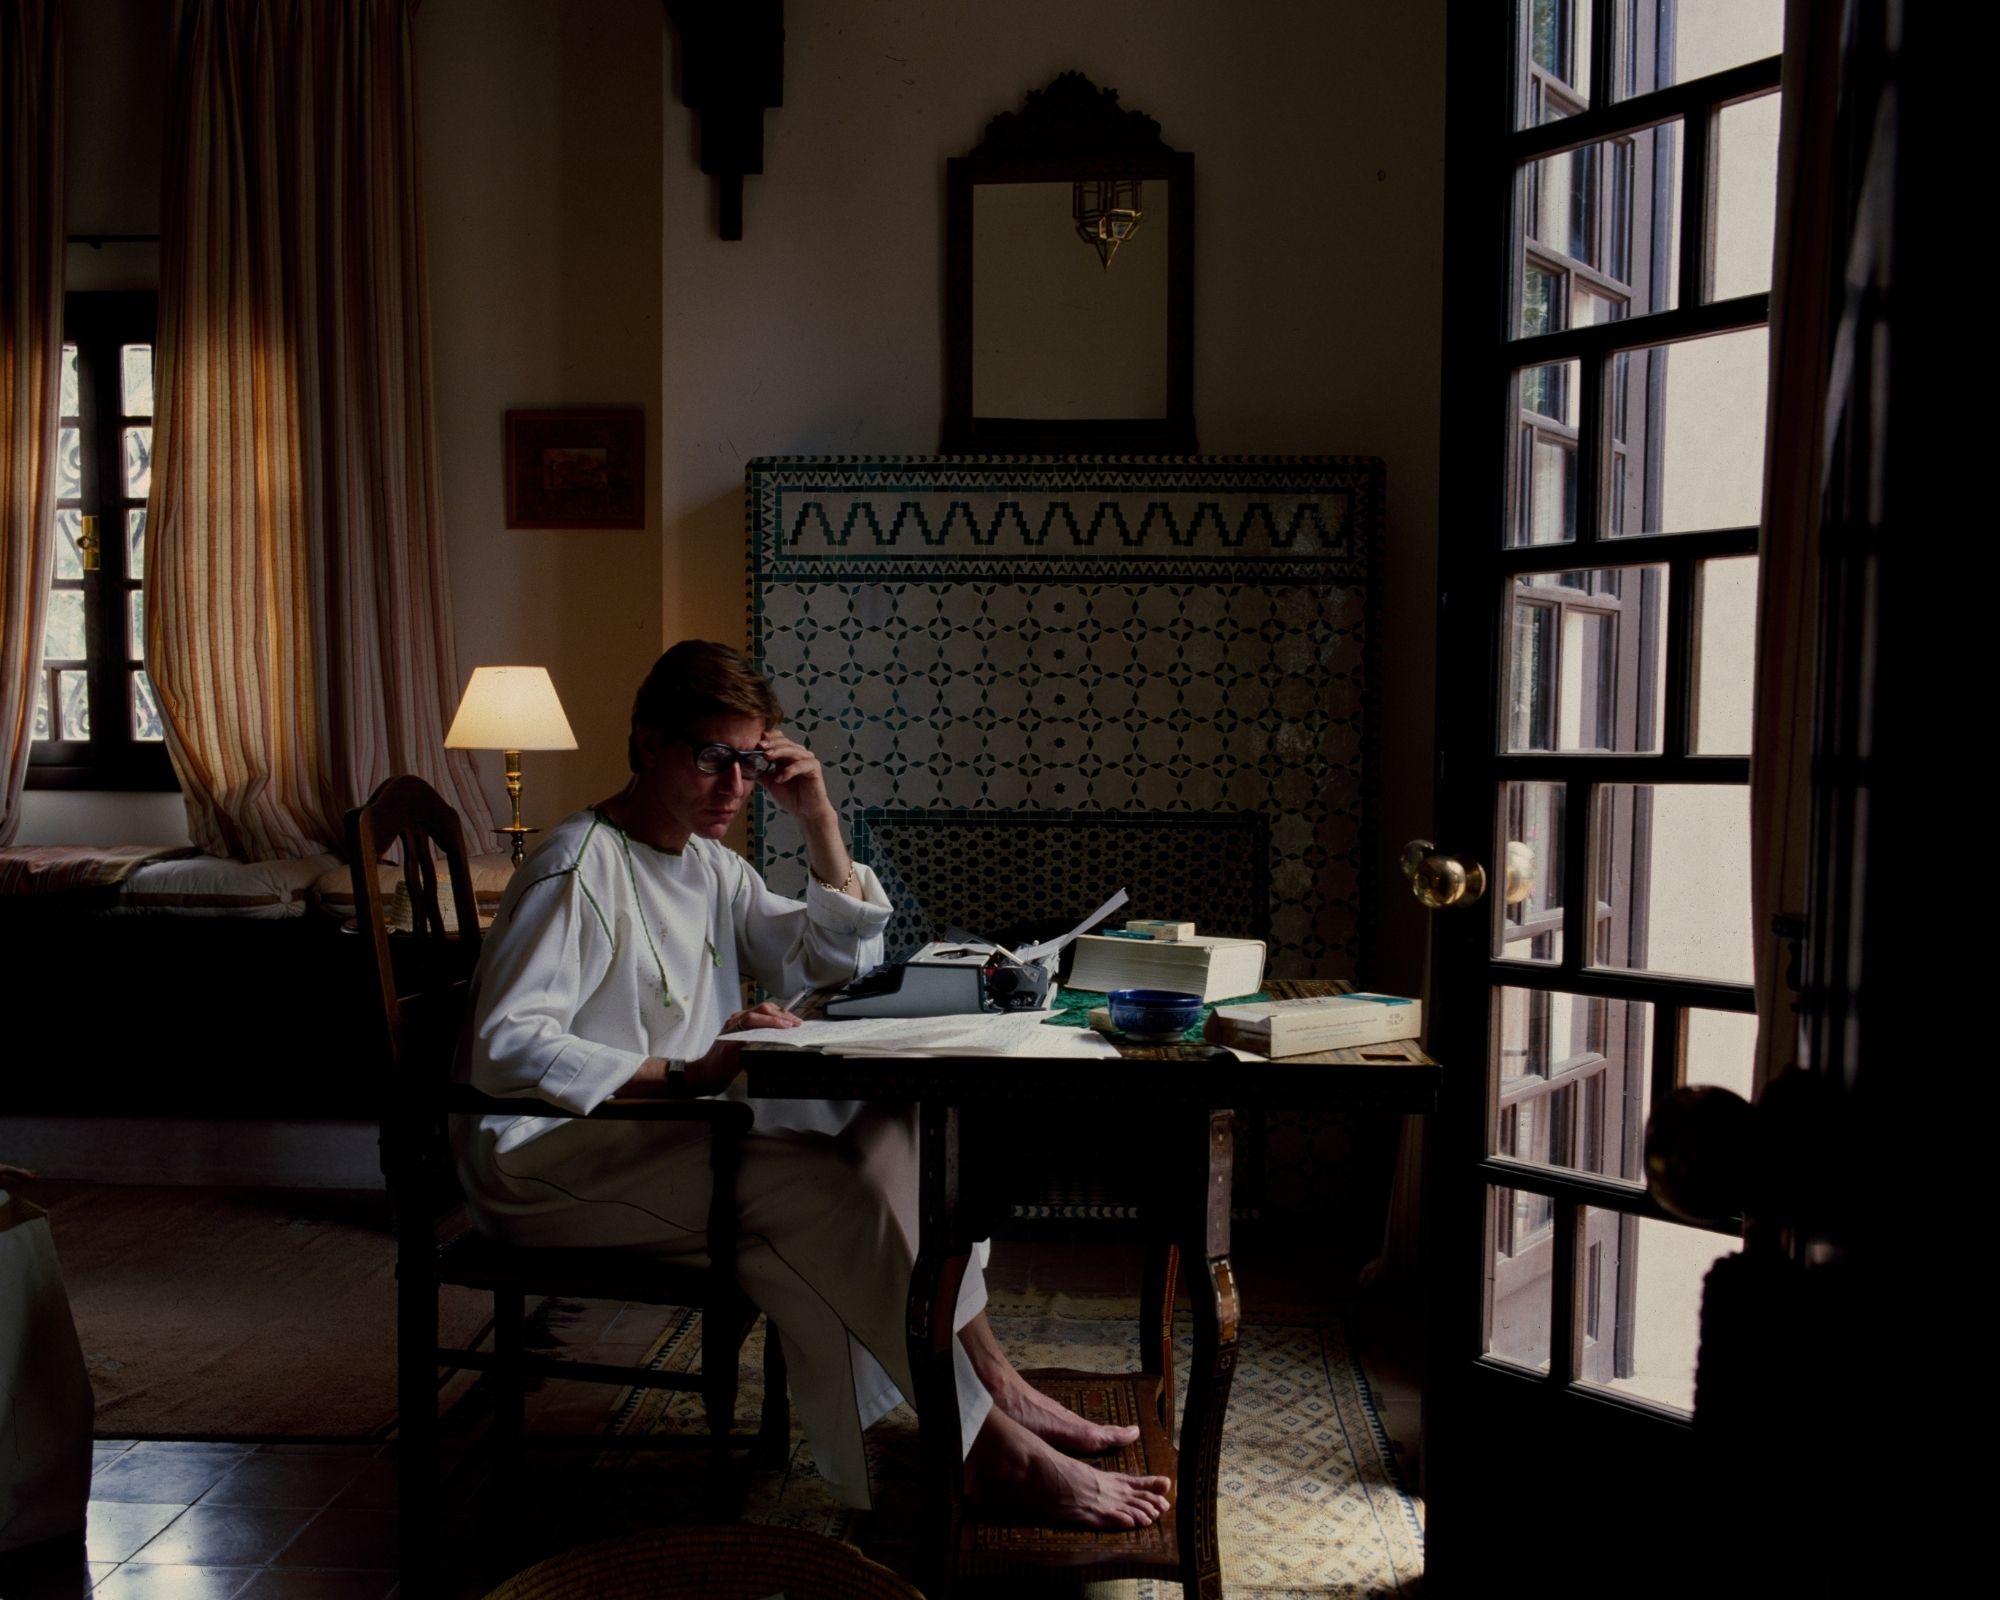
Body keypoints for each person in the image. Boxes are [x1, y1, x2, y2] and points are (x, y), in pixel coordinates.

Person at [452, 640, 1171, 1528]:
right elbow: (506, 1049)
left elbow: (824, 959)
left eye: (749, 764)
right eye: (711, 758)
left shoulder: (706, 864)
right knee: (828, 1191)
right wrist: (691, 1069)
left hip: (671, 1135)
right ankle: (986, 1450)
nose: (733, 787)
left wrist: (819, 821)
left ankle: (989, 1376)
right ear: (645, 744)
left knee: (898, 1129)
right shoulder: (575, 867)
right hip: (548, 1159)